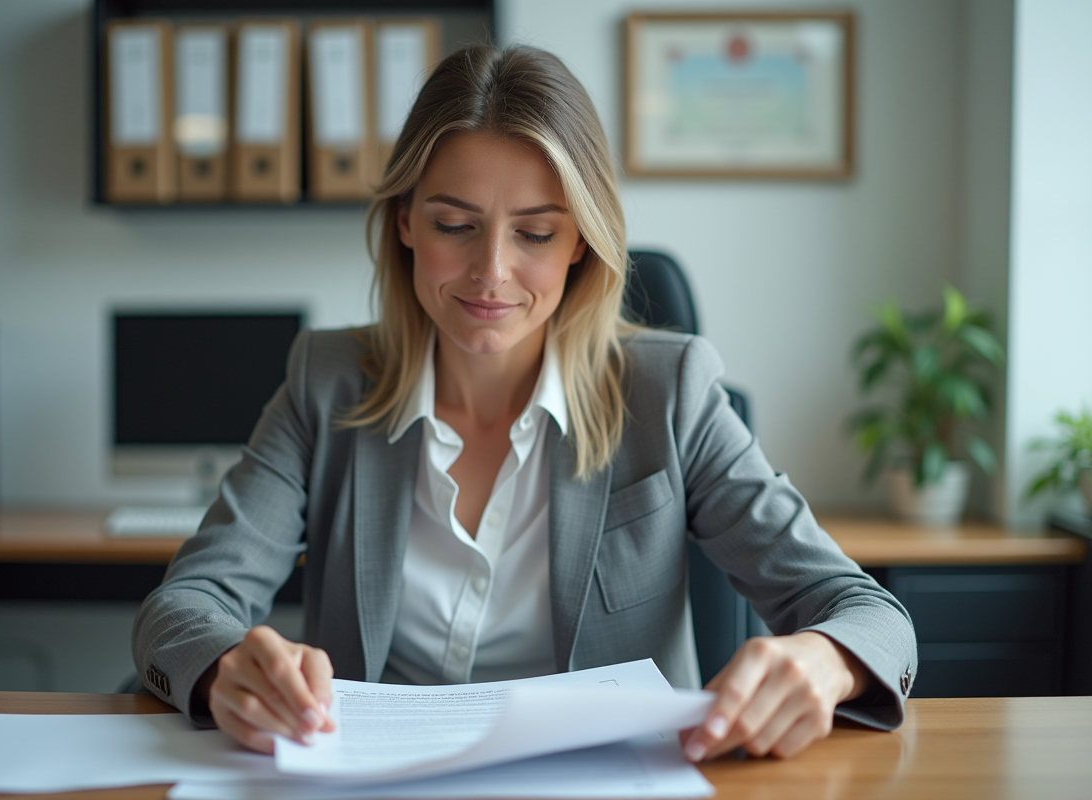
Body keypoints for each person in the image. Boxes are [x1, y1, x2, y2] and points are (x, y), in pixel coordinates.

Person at [133, 43, 916, 764]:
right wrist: (226, 667)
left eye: (536, 234)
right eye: (454, 225)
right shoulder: (327, 381)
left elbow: (865, 611)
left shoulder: (667, 393)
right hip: (378, 781)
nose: (491, 274)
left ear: (582, 242)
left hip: (608, 784)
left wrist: (826, 659)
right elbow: (187, 605)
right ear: (404, 220)